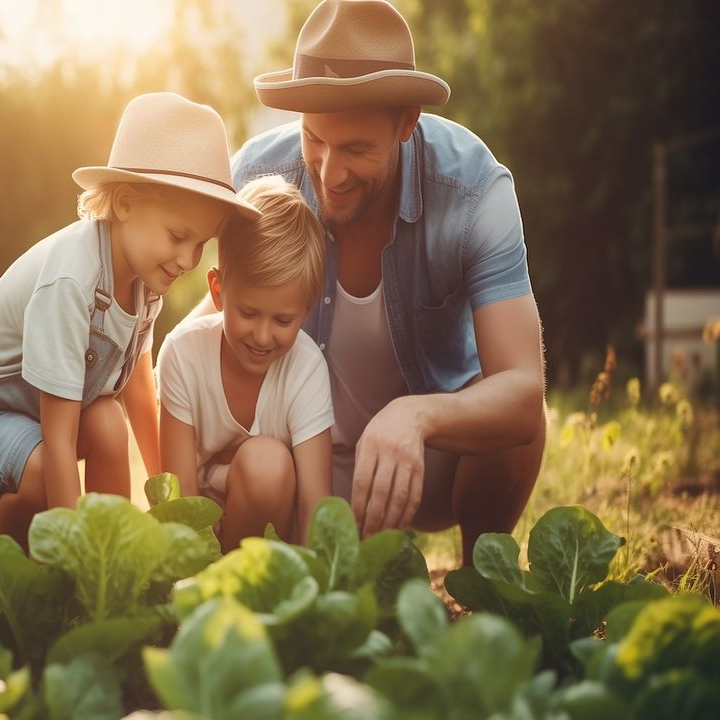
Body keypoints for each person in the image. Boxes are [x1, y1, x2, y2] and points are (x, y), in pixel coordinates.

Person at [222, 0, 546, 564]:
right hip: (299, 464)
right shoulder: (255, 180)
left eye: (356, 149)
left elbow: (523, 393)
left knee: (522, 434)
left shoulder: (475, 193)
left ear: (406, 122)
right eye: (315, 140)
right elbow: (202, 328)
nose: (328, 173)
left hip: (427, 465)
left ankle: (483, 582)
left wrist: (416, 415)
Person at [0, 92, 259, 552]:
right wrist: (76, 559)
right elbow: (59, 437)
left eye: (201, 243)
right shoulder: (73, 281)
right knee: (48, 469)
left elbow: (140, 393)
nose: (187, 259)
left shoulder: (145, 280)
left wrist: (174, 505)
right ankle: (20, 552)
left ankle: (113, 553)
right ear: (124, 203)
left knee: (108, 420)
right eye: (178, 236)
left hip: (37, 420)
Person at [158, 175, 333, 550]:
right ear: (218, 291)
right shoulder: (182, 353)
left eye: (283, 320)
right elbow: (179, 497)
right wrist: (189, 562)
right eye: (249, 313)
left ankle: (252, 596)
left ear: (306, 310)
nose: (263, 336)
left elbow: (316, 504)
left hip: (268, 544)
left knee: (266, 463)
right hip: (202, 536)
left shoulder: (306, 368)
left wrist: (318, 592)